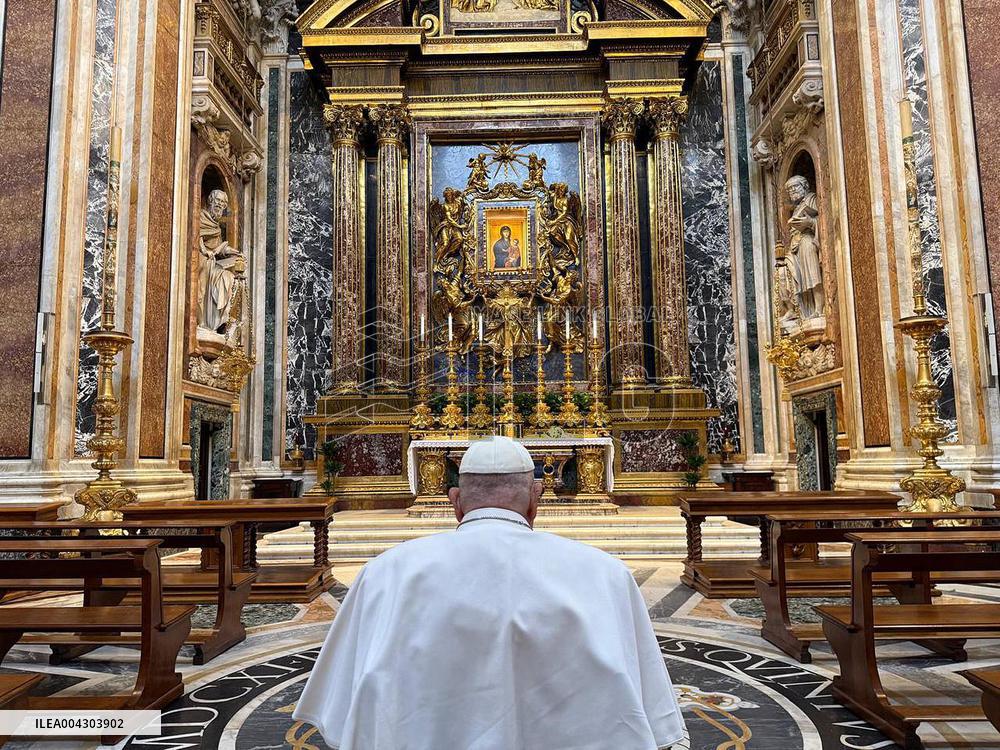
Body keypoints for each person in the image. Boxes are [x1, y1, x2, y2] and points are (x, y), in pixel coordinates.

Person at [294, 436, 686, 750]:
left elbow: (340, 713)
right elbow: (651, 716)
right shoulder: (606, 575)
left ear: (455, 501)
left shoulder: (384, 575)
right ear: (534, 500)